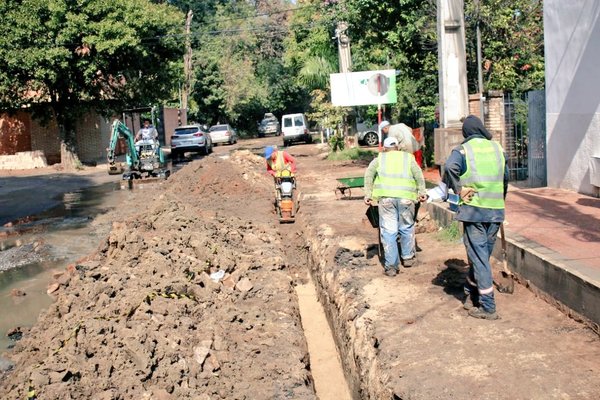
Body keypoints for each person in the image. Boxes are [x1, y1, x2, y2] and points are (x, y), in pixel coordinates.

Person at [442, 115, 508, 320]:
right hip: (495, 210)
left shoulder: (463, 150)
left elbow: (449, 168)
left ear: (466, 132)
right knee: (482, 257)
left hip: (475, 211)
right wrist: (500, 200)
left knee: (479, 258)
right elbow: (505, 178)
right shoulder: (498, 148)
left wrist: (459, 189)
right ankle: (471, 291)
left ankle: (488, 306)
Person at [364, 137, 428, 276]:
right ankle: (408, 258)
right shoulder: (408, 158)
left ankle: (392, 266)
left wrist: (368, 195)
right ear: (398, 147)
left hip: (386, 199)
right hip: (406, 199)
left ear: (385, 148)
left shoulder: (379, 159)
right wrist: (422, 192)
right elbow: (418, 175)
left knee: (388, 231)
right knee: (406, 227)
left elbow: (369, 175)